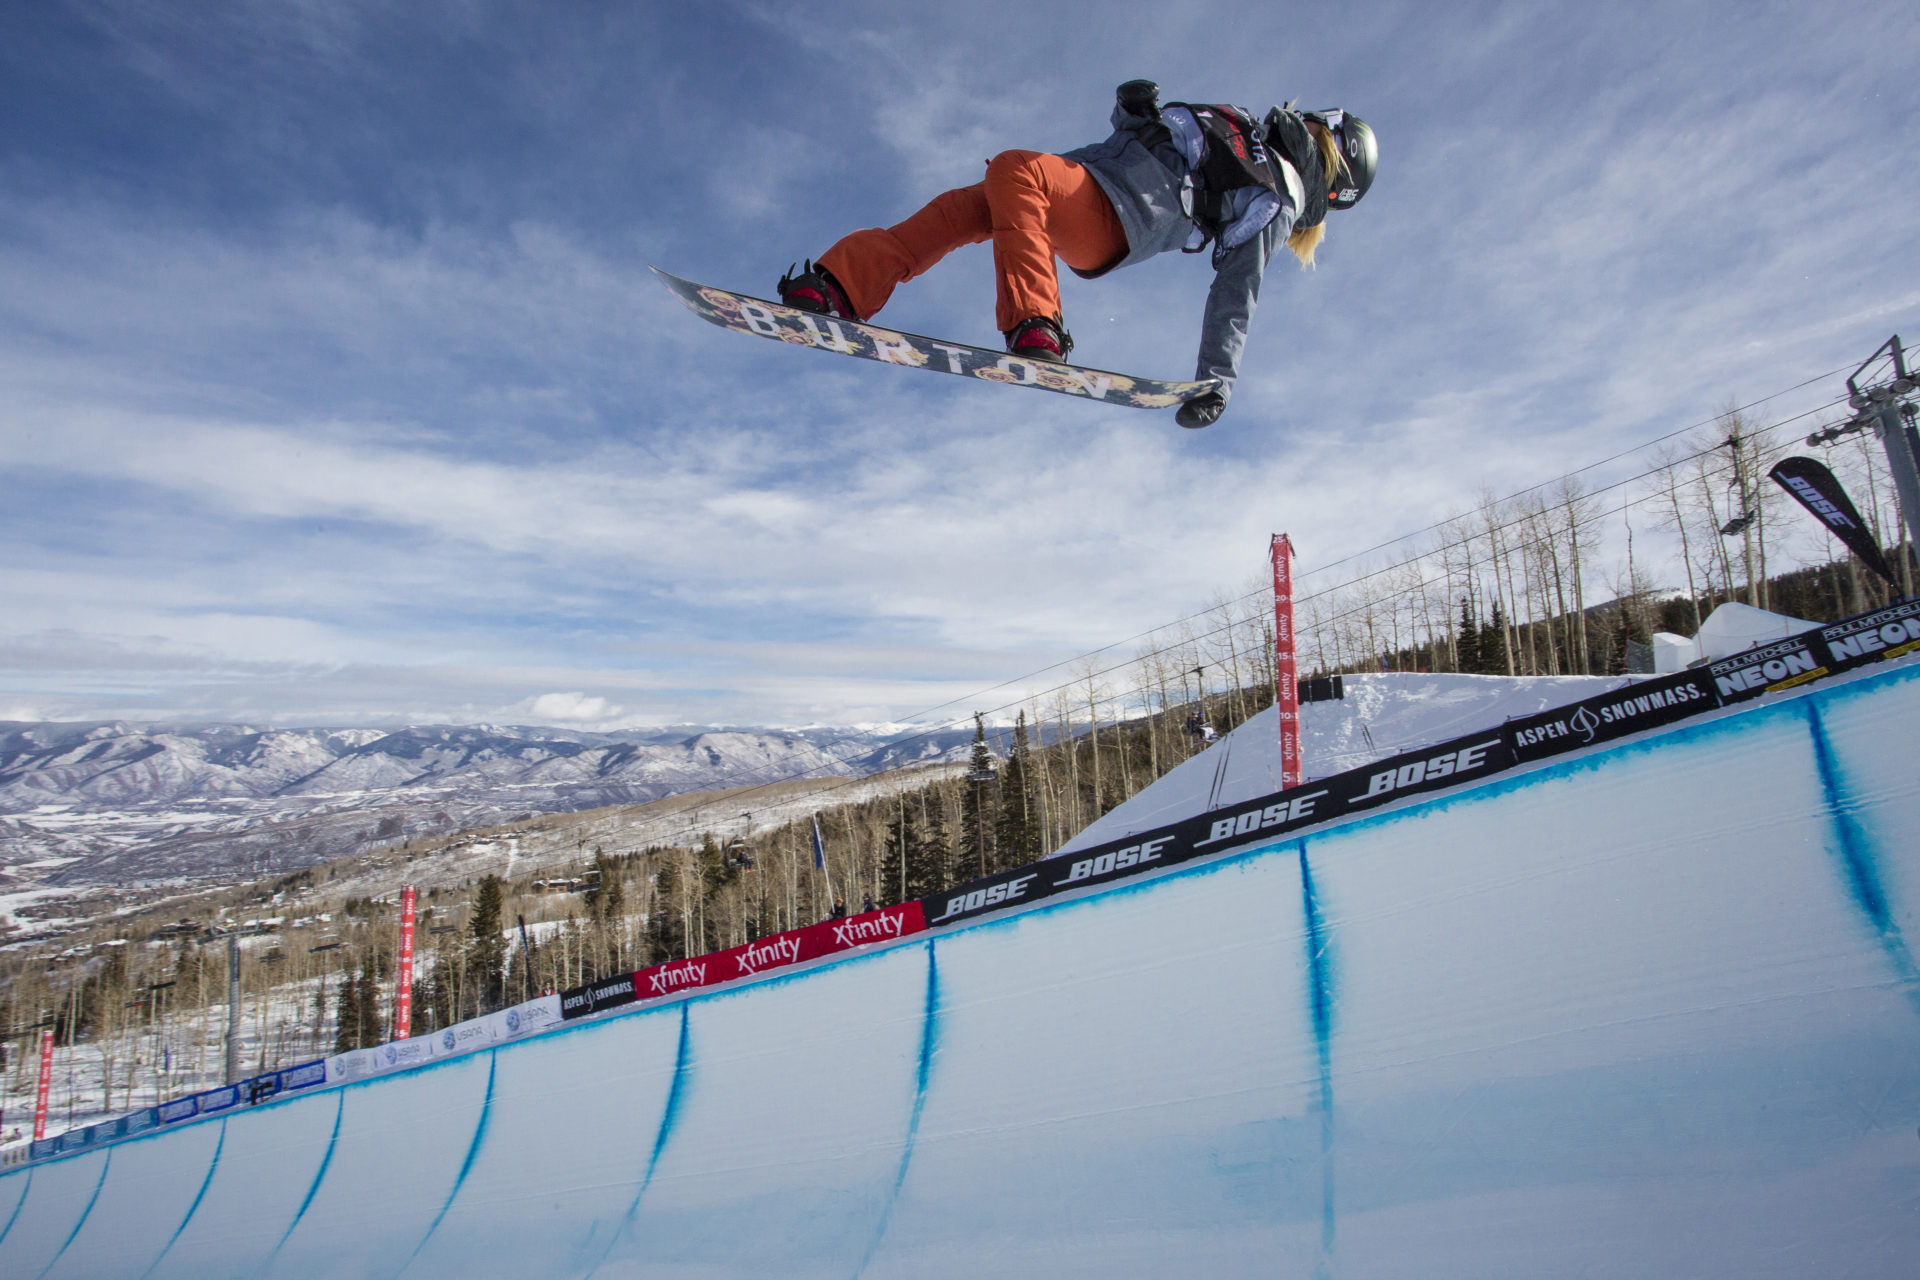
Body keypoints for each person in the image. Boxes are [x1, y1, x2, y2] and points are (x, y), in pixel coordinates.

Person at [779, 81, 1376, 428]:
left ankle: (1037, 324)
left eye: (1325, 126)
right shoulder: (1244, 128)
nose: (1309, 119)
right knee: (967, 205)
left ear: (1334, 155)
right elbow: (1141, 145)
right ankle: (840, 289)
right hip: (1091, 180)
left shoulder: (1279, 194)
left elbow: (1236, 293)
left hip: (1121, 218)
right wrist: (1136, 113)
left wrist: (1215, 381)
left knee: (1016, 168)